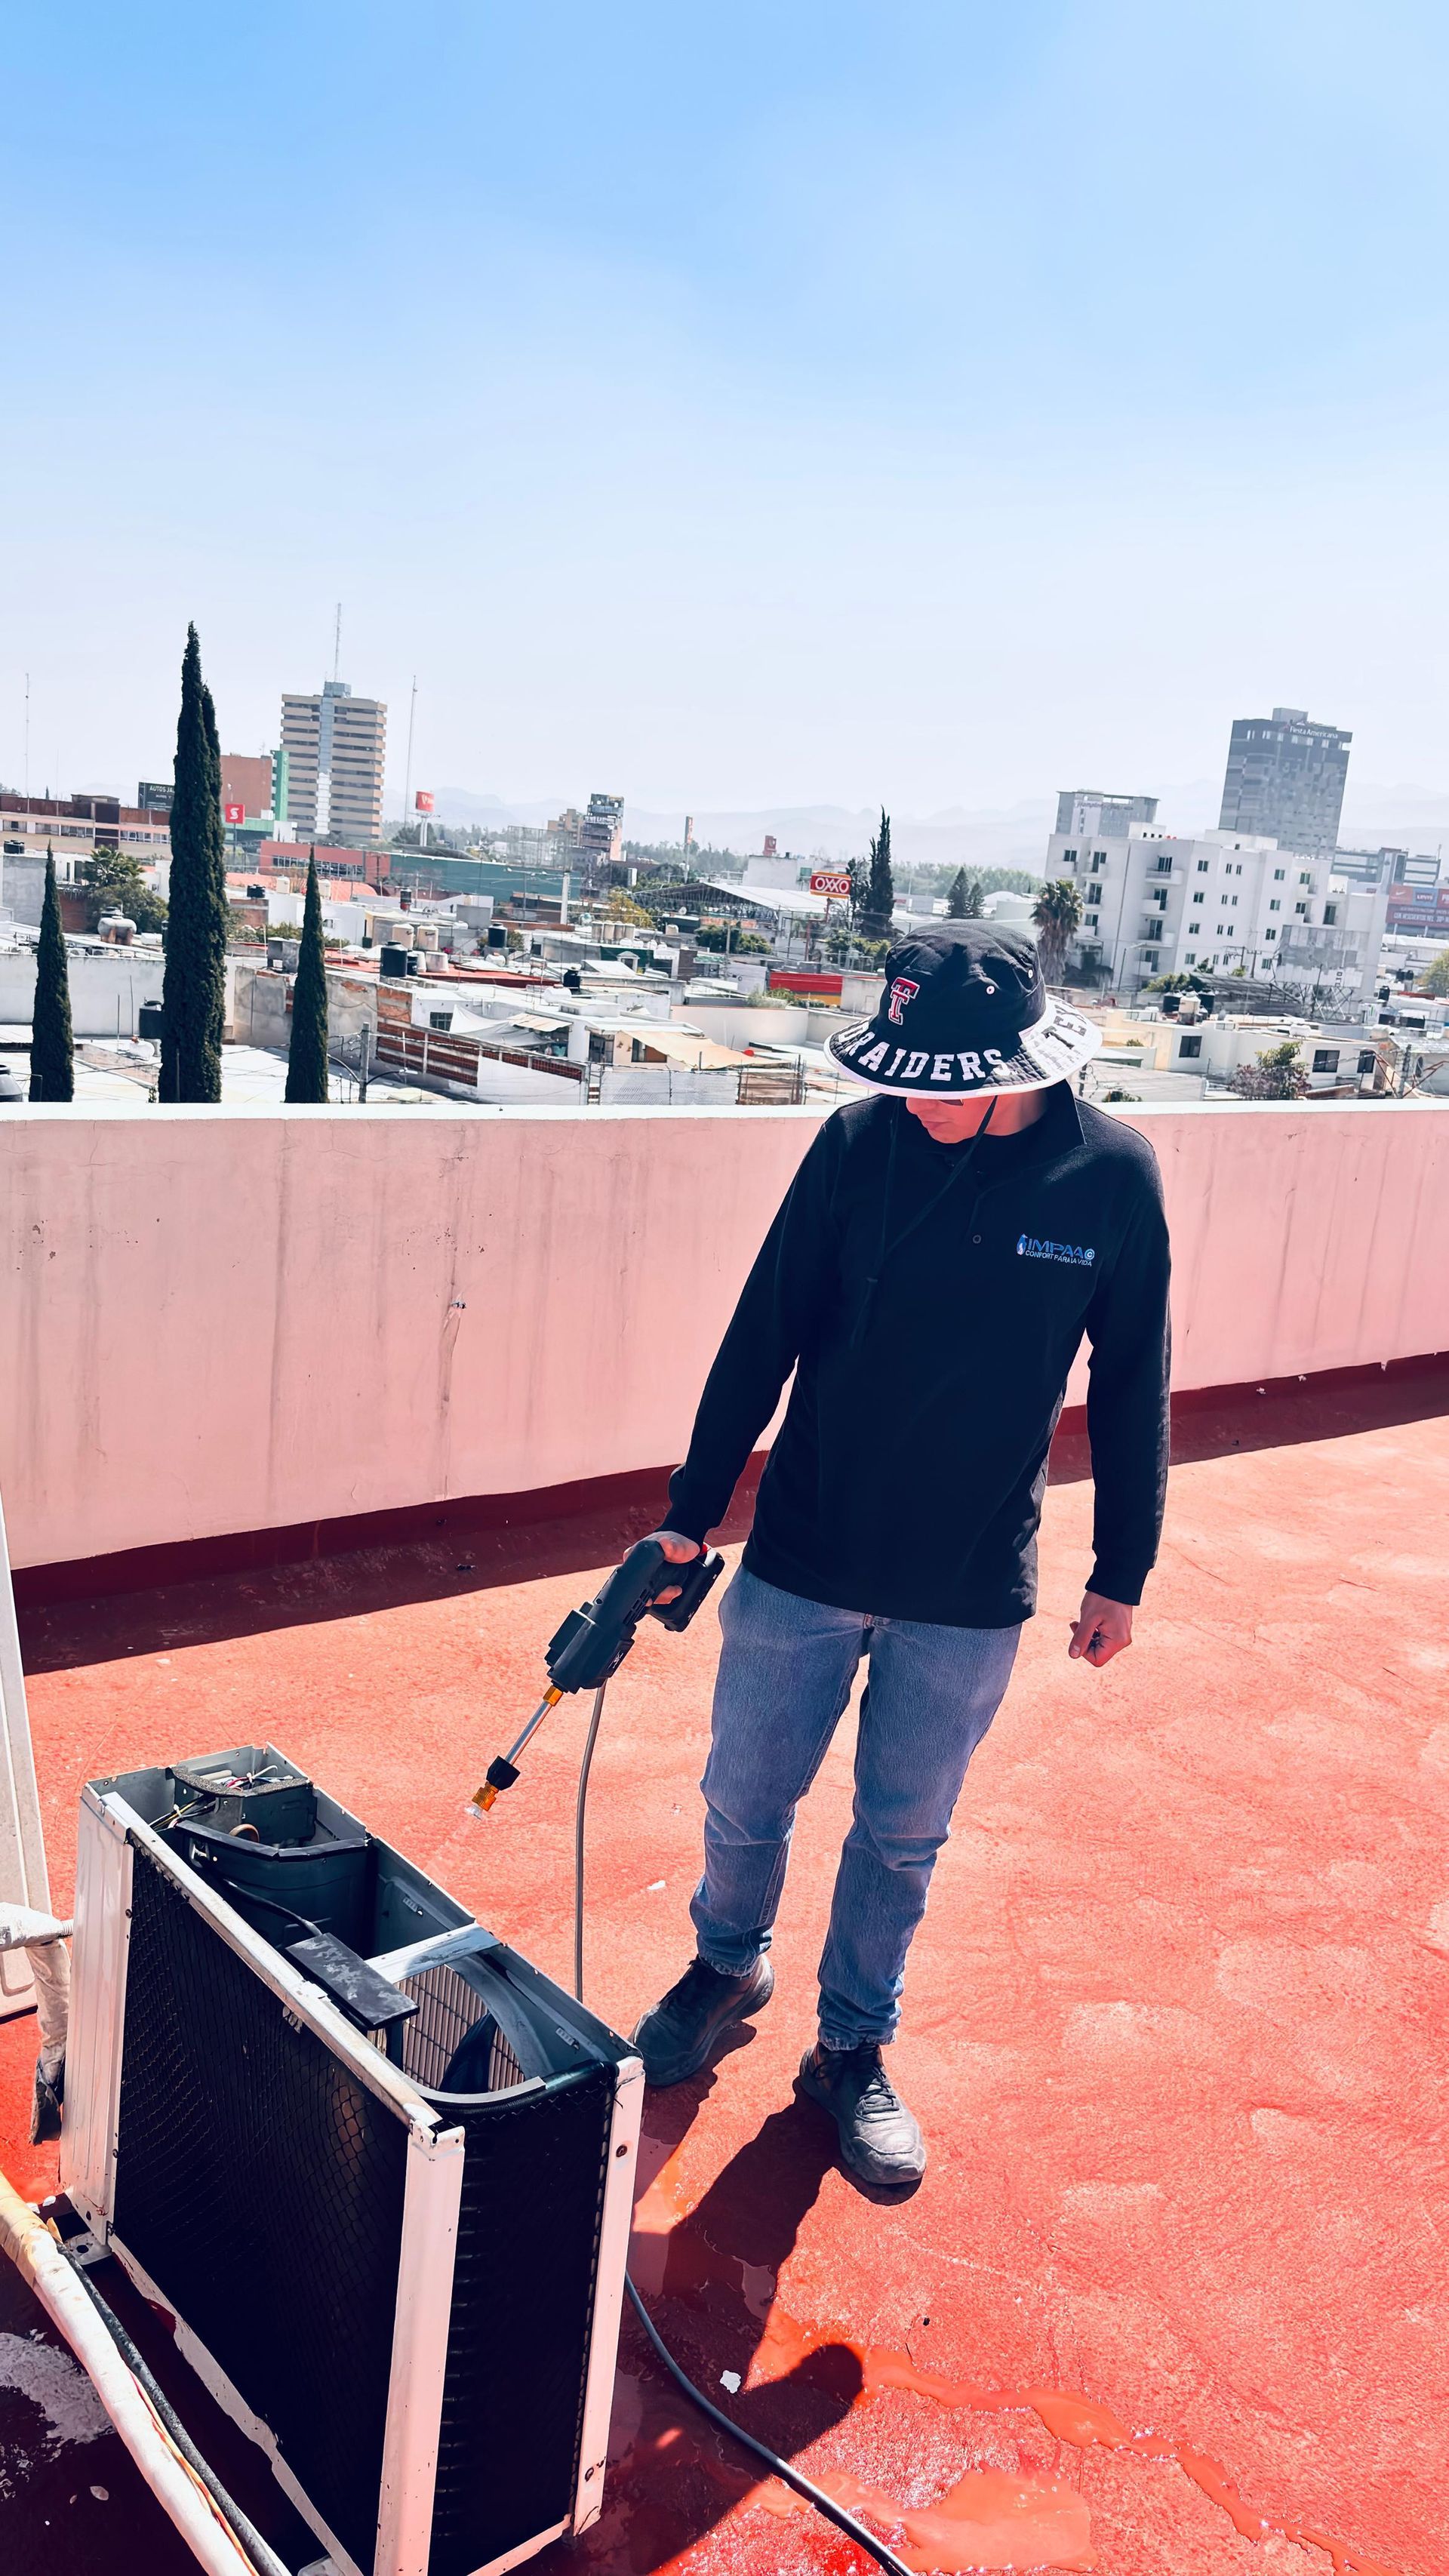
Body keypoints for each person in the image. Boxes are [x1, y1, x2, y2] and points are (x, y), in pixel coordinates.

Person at [632, 925, 1171, 2189]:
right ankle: (726, 1964)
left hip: (969, 1584)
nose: (917, 1105)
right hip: (804, 1554)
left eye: (945, 1083)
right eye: (904, 1078)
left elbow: (1136, 1379)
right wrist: (691, 1508)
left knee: (902, 1835)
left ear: (1021, 1062)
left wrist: (1124, 1566)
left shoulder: (1111, 1177)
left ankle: (852, 2049)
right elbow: (759, 1334)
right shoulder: (854, 1147)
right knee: (743, 1796)